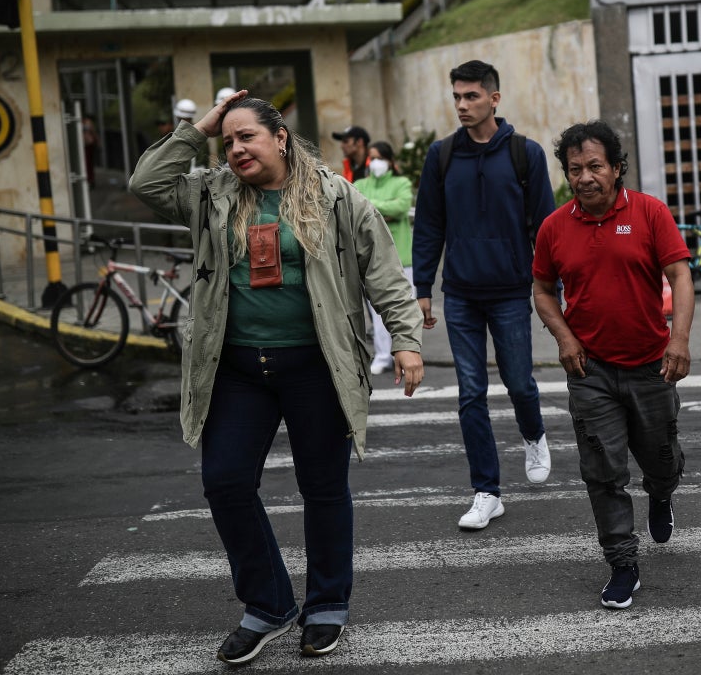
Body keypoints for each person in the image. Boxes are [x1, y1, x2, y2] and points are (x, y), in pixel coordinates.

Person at [129, 91, 425, 665]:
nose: (237, 149)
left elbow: (383, 271)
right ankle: (268, 604)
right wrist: (200, 128)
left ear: (281, 138)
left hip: (317, 364)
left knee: (323, 488)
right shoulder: (211, 194)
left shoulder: (335, 196)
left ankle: (327, 604)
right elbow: (147, 182)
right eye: (229, 141)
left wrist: (406, 340)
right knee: (225, 482)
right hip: (238, 369)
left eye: (248, 136)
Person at [532, 120, 693, 610]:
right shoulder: (554, 227)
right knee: (602, 471)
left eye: (595, 166)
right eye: (574, 169)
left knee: (661, 461)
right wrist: (564, 338)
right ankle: (623, 563)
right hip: (591, 372)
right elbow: (542, 290)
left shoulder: (649, 212)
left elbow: (680, 275)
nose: (584, 177)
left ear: (617, 168)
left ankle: (661, 494)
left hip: (651, 367)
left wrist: (679, 339)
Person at [412, 59, 557, 530]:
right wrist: (422, 286)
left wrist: (553, 289)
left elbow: (546, 227)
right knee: (470, 393)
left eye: (471, 96)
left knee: (519, 383)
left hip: (511, 291)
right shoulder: (442, 155)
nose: (462, 104)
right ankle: (487, 492)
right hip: (460, 293)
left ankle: (534, 435)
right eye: (457, 96)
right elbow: (429, 222)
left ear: (494, 98)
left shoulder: (524, 153)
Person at [353, 140, 414, 375]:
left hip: (402, 259)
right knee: (378, 314)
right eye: (372, 157)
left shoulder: (402, 183)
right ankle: (382, 355)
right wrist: (381, 211)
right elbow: (354, 209)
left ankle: (407, 352)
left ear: (390, 161)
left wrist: (371, 209)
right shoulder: (360, 184)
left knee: (404, 310)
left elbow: (401, 207)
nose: (375, 162)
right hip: (371, 259)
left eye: (380, 157)